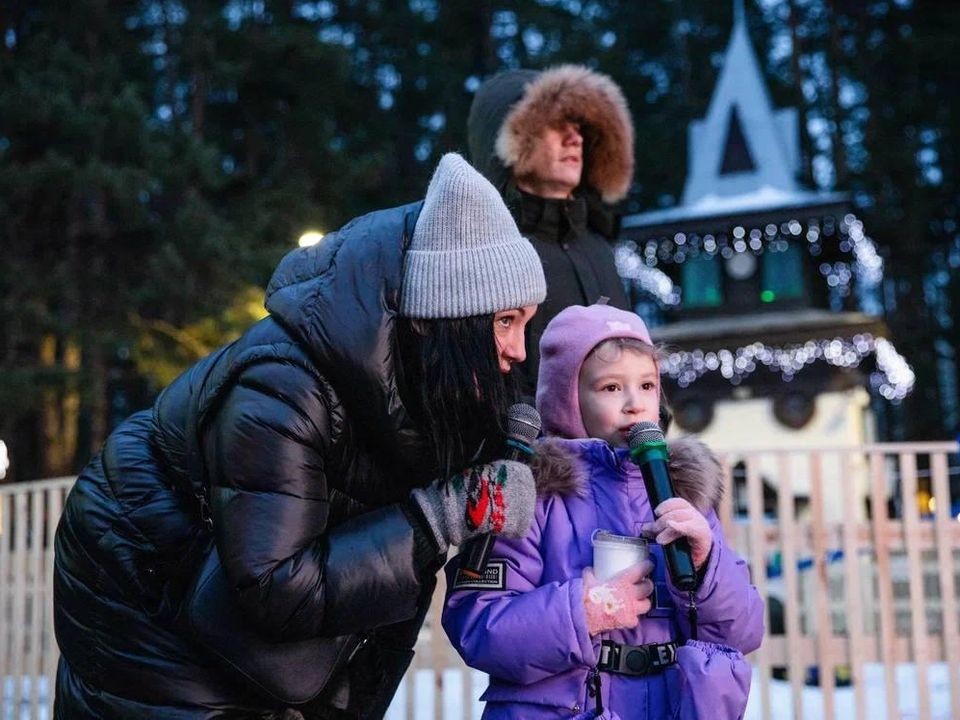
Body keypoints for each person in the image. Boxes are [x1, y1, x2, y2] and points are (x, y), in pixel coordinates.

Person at [52, 153, 548, 719]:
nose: (517, 350)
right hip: (140, 579)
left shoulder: (425, 379)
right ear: (442, 318)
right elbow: (276, 585)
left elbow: (370, 608)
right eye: (504, 322)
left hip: (226, 603)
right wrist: (442, 517)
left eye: (525, 322)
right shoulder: (283, 388)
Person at [442, 303, 764, 719]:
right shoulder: (529, 489)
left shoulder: (681, 491)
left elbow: (744, 630)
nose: (635, 404)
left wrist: (706, 568)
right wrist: (584, 610)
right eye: (612, 388)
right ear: (567, 398)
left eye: (647, 386)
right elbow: (479, 626)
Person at [467, 65, 634, 394]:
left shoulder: (599, 246)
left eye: (579, 126)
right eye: (556, 124)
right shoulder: (485, 257)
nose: (575, 138)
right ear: (513, 139)